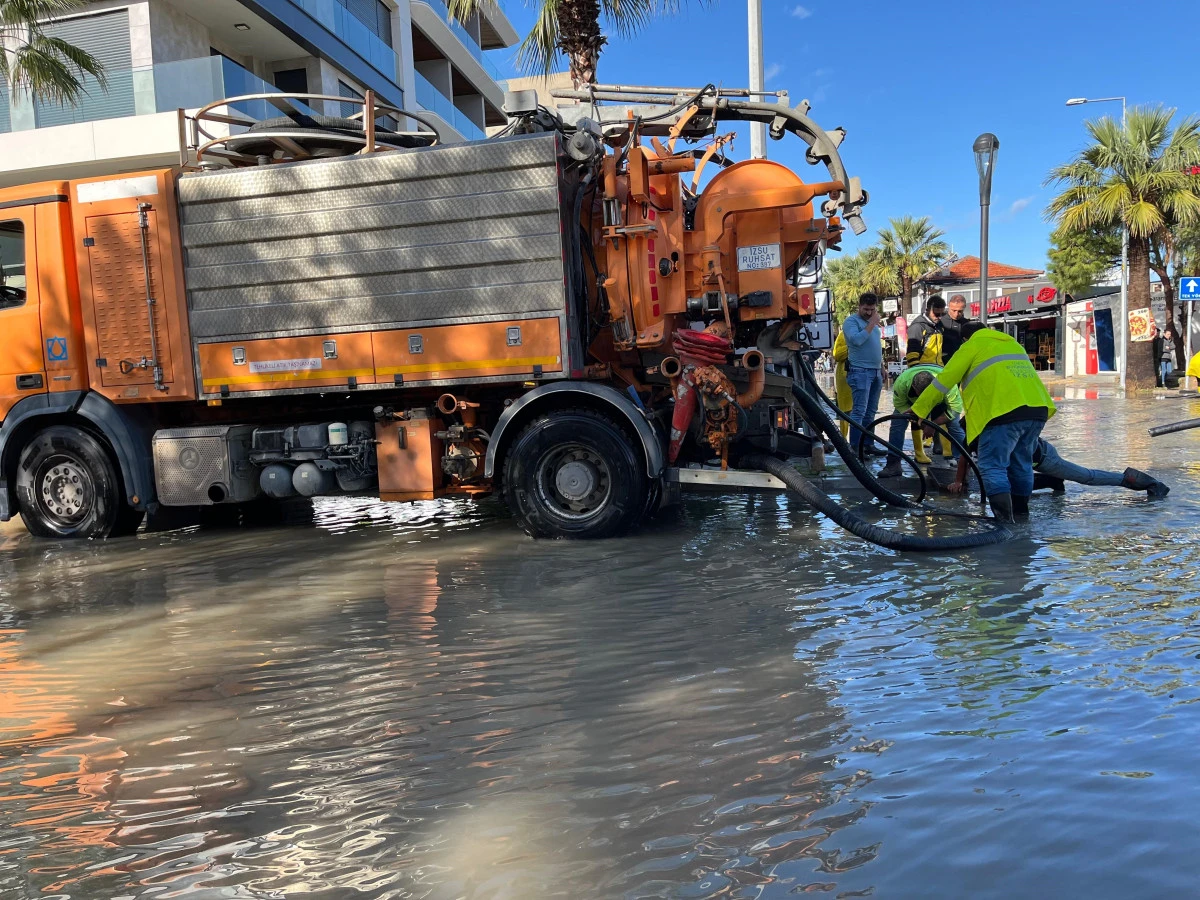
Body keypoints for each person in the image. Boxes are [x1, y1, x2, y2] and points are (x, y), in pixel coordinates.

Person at [911, 321, 1056, 522]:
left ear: (965, 339)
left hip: (1001, 413)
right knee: (1022, 465)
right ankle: (1022, 519)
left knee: (992, 467)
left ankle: (1004, 523)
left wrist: (918, 409)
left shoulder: (971, 346)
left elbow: (944, 381)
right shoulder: (1012, 343)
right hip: (1036, 410)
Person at [947, 438, 1169, 500]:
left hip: (1045, 458)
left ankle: (1142, 481)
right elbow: (965, 456)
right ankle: (1051, 481)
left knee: (1086, 477)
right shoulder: (975, 427)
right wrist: (960, 482)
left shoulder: (996, 427)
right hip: (1029, 462)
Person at [877, 366, 967, 478]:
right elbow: (901, 405)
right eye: (921, 394)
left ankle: (964, 462)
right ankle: (893, 464)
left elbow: (954, 410)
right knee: (897, 424)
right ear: (914, 387)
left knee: (955, 427)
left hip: (940, 401)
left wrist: (932, 425)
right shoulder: (901, 384)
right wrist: (920, 421)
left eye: (927, 394)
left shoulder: (947, 385)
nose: (924, 399)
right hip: (911, 403)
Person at [841, 293, 885, 456]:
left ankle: (868, 444)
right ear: (859, 306)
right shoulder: (851, 322)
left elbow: (875, 346)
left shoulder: (872, 323)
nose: (869, 313)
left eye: (872, 309)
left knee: (871, 411)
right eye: (866, 309)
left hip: (875, 370)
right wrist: (872, 323)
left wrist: (881, 366)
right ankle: (855, 446)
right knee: (859, 411)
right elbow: (857, 340)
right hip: (860, 371)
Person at [905, 295, 946, 367]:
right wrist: (917, 371)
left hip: (938, 368)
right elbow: (912, 354)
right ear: (928, 310)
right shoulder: (917, 327)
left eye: (942, 314)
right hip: (923, 369)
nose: (940, 317)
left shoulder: (939, 326)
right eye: (936, 314)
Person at [831, 330, 853, 440]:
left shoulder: (873, 331)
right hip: (846, 378)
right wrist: (854, 346)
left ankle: (864, 443)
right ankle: (844, 440)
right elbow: (837, 355)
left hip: (868, 376)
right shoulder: (844, 334)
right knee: (846, 412)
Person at [939, 294, 970, 363]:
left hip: (961, 361)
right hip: (942, 362)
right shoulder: (939, 322)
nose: (956, 314)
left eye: (960, 311)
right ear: (949, 306)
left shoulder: (966, 324)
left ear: (964, 308)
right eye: (954, 310)